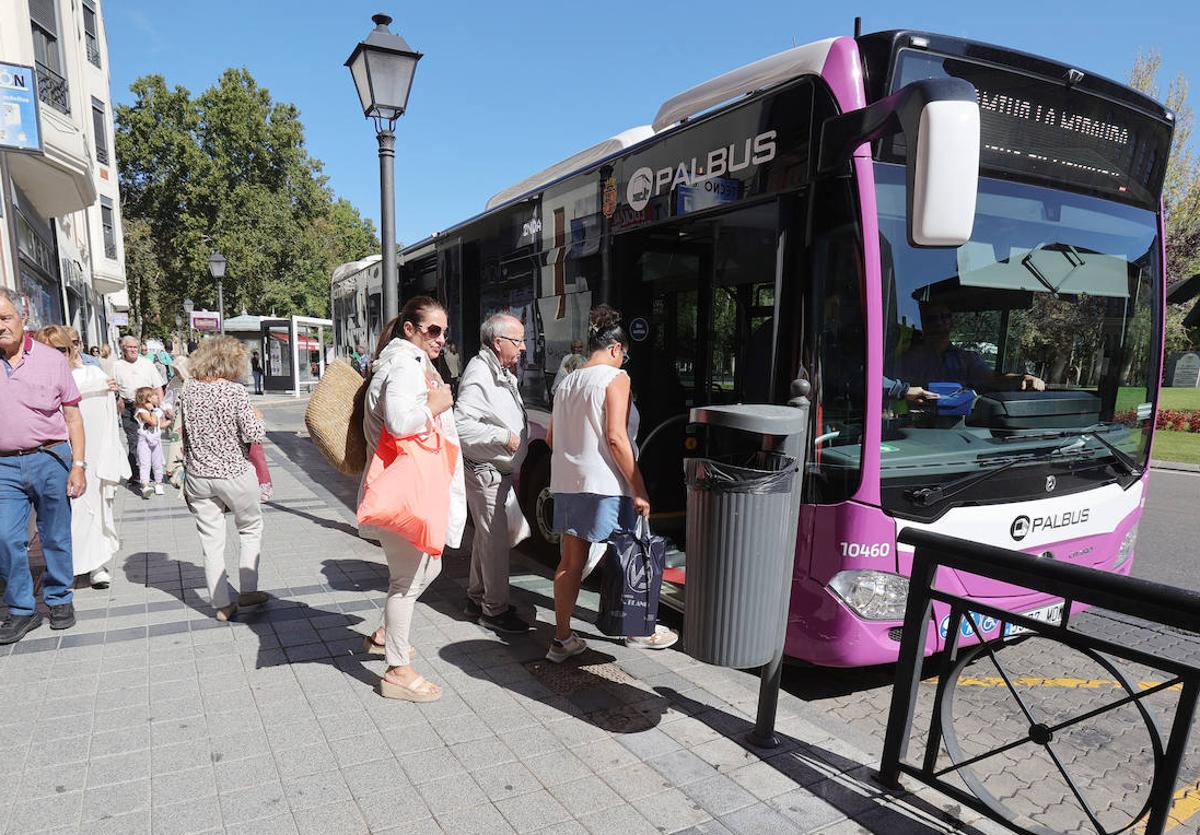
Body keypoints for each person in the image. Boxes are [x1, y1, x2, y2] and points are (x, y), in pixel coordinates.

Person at [545, 305, 676, 662]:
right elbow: (617, 438)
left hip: (568, 482)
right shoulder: (615, 379)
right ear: (616, 348)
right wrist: (639, 489)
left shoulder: (568, 382)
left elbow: (553, 439)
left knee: (571, 561)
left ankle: (562, 638)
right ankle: (636, 630)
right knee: (627, 555)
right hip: (606, 483)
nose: (624, 361)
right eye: (625, 355)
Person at [358, 296, 466, 701]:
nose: (440, 339)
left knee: (430, 566)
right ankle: (398, 670)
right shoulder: (405, 365)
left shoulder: (410, 362)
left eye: (444, 331)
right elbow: (403, 422)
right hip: (407, 488)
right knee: (405, 583)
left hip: (415, 484)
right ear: (410, 329)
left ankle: (388, 632)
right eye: (432, 330)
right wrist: (436, 402)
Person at [0, 289, 86, 644]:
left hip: (51, 458)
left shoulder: (52, 360)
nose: (0, 326)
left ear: (22, 319)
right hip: (4, 466)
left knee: (55, 535)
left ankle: (59, 599)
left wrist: (78, 465)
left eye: (5, 318)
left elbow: (73, 415)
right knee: (5, 536)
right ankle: (22, 609)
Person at [179, 336, 268, 621]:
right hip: (234, 473)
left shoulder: (189, 389)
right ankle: (249, 589)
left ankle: (221, 604)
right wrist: (259, 416)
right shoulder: (235, 392)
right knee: (250, 528)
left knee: (211, 540)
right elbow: (253, 434)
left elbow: (184, 434)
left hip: (199, 475)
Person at [35, 326, 129, 589]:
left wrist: (107, 391)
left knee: (94, 510)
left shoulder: (92, 374)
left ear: (71, 349)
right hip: (52, 456)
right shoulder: (34, 378)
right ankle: (66, 567)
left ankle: (97, 563)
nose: (56, 356)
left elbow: (107, 414)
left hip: (91, 458)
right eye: (47, 350)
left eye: (61, 349)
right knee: (58, 512)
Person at [455, 313, 531, 634]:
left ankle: (476, 598)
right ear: (498, 343)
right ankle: (494, 611)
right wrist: (501, 437)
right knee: (495, 542)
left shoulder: (496, 368)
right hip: (486, 472)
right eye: (518, 341)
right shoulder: (479, 372)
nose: (524, 347)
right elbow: (461, 425)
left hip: (494, 471)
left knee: (487, 540)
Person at [896, 302, 1046, 393]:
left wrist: (1022, 378)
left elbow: (993, 378)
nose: (940, 322)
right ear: (923, 323)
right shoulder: (910, 358)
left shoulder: (967, 359)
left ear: (952, 322)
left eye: (945, 316)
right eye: (933, 318)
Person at [113, 335, 166, 483]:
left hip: (148, 408)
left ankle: (151, 471)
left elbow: (158, 387)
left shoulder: (147, 364)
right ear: (123, 349)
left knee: (150, 440)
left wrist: (160, 408)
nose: (132, 350)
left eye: (135, 347)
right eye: (129, 347)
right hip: (129, 408)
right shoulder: (116, 366)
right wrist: (117, 401)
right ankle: (138, 474)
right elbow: (113, 388)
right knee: (134, 440)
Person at [134, 386, 169, 498]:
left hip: (156, 441)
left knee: (157, 463)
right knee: (145, 464)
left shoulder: (157, 410)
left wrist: (170, 421)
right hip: (144, 442)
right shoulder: (142, 411)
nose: (157, 396)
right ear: (148, 398)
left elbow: (159, 425)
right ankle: (145, 486)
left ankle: (158, 484)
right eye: (154, 395)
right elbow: (153, 422)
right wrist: (152, 410)